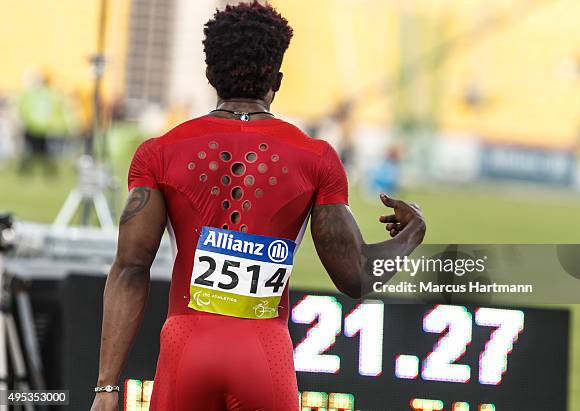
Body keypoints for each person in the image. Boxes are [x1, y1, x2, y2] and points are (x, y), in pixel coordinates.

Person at [90, 2, 425, 411]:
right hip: (264, 353)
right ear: (277, 80)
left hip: (186, 347)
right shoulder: (315, 158)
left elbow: (129, 268)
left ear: (210, 75)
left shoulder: (159, 153)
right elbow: (356, 277)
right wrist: (412, 233)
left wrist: (107, 387)